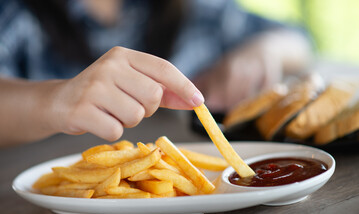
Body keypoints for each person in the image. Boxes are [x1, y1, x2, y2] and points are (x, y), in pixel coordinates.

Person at [0, 0, 311, 147]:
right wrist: (55, 101)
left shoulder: (194, 10)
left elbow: (296, 39)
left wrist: (262, 51)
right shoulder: (15, 16)